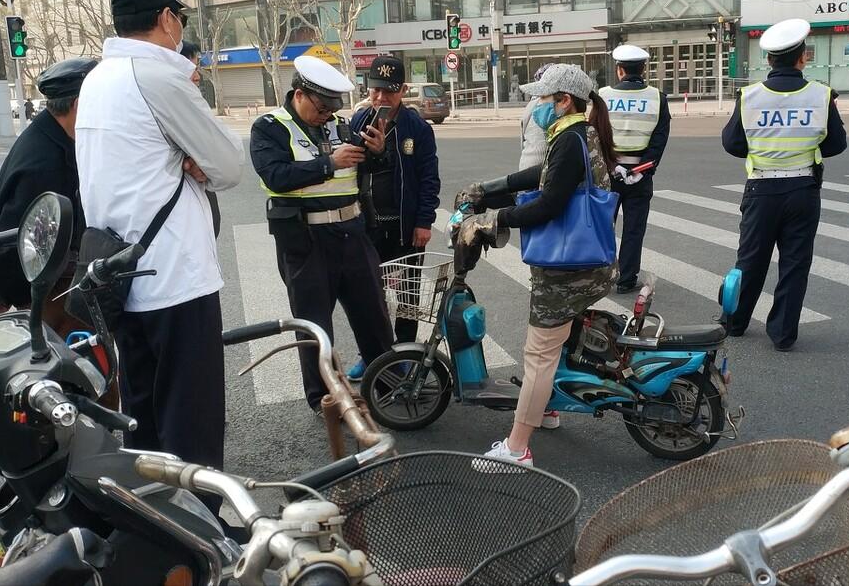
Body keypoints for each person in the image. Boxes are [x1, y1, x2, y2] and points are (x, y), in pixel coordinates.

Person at [76, 0, 243, 488]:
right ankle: (200, 539)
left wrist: (189, 158)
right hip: (174, 277)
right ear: (168, 19)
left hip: (119, 274)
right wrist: (192, 158)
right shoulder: (159, 77)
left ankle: (152, 526)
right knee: (191, 420)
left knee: (144, 414)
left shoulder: (97, 78)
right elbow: (229, 165)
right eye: (181, 17)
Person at [455, 64, 617, 467]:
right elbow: (542, 176)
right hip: (581, 264)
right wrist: (489, 191)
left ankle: (516, 447)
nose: (535, 105)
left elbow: (548, 204)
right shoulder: (576, 132)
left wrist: (492, 220)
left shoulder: (570, 138)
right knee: (554, 344)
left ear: (563, 101)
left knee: (539, 352)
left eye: (541, 98)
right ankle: (546, 408)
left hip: (568, 271)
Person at [249, 55, 395, 414]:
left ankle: (387, 385)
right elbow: (276, 176)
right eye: (321, 107)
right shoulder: (270, 128)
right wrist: (329, 163)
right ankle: (325, 399)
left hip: (352, 232)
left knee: (373, 315)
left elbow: (362, 170)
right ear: (299, 94)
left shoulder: (340, 126)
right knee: (314, 325)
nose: (327, 115)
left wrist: (377, 153)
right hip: (306, 239)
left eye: (332, 108)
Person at [720, 18, 847, 352]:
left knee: (750, 259)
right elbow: (837, 144)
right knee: (795, 262)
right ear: (803, 57)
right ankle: (783, 333)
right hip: (803, 190)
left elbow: (732, 143)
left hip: (761, 189)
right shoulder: (821, 95)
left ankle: (735, 323)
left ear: (769, 60)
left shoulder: (750, 96)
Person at [0, 57, 97, 335]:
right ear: (79, 105)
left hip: (51, 286)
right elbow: (24, 239)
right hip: (47, 294)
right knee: (83, 367)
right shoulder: (47, 163)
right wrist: (15, 296)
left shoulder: (50, 135)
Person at [345, 56, 440, 379]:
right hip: (368, 226)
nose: (382, 98)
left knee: (408, 296)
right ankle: (371, 354)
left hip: (405, 226)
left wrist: (424, 222)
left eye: (390, 91)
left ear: (402, 90)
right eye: (376, 91)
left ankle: (402, 353)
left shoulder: (418, 128)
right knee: (370, 295)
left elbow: (429, 179)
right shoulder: (358, 122)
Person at [598, 44, 671, 294]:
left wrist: (613, 165)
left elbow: (595, 136)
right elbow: (659, 139)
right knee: (634, 228)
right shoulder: (657, 97)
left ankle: (601, 275)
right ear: (644, 69)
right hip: (640, 175)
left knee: (603, 226)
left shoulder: (603, 96)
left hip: (610, 174)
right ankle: (627, 279)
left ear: (619, 70)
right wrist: (642, 169)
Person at [180, 40, 222, 238]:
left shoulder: (195, 105)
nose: (197, 77)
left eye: (198, 68)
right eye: (191, 69)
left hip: (202, 196)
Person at [518, 63, 554, 169]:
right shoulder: (546, 105)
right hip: (537, 170)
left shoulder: (532, 103)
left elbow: (523, 139)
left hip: (526, 164)